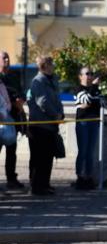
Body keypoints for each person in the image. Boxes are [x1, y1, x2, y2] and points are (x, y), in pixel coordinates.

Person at [27, 56, 64, 196]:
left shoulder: (52, 80)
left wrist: (61, 113)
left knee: (48, 157)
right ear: (45, 66)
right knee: (39, 158)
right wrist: (55, 115)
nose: (53, 66)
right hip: (40, 126)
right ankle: (37, 187)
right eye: (51, 63)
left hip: (50, 126)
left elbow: (57, 98)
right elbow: (42, 102)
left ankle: (45, 184)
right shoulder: (38, 81)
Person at [0, 51, 26, 190]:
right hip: (0, 119)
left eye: (8, 57)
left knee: (12, 151)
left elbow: (22, 91)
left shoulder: (14, 75)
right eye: (4, 58)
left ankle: (11, 179)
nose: (7, 60)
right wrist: (12, 99)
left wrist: (20, 99)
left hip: (13, 118)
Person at [74, 66, 101, 190]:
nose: (90, 76)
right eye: (87, 73)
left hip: (94, 123)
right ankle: (80, 177)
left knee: (90, 153)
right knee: (83, 151)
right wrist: (93, 89)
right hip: (83, 123)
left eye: (92, 73)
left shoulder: (95, 90)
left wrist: (88, 103)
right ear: (80, 76)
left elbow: (99, 102)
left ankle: (88, 177)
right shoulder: (78, 88)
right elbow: (87, 100)